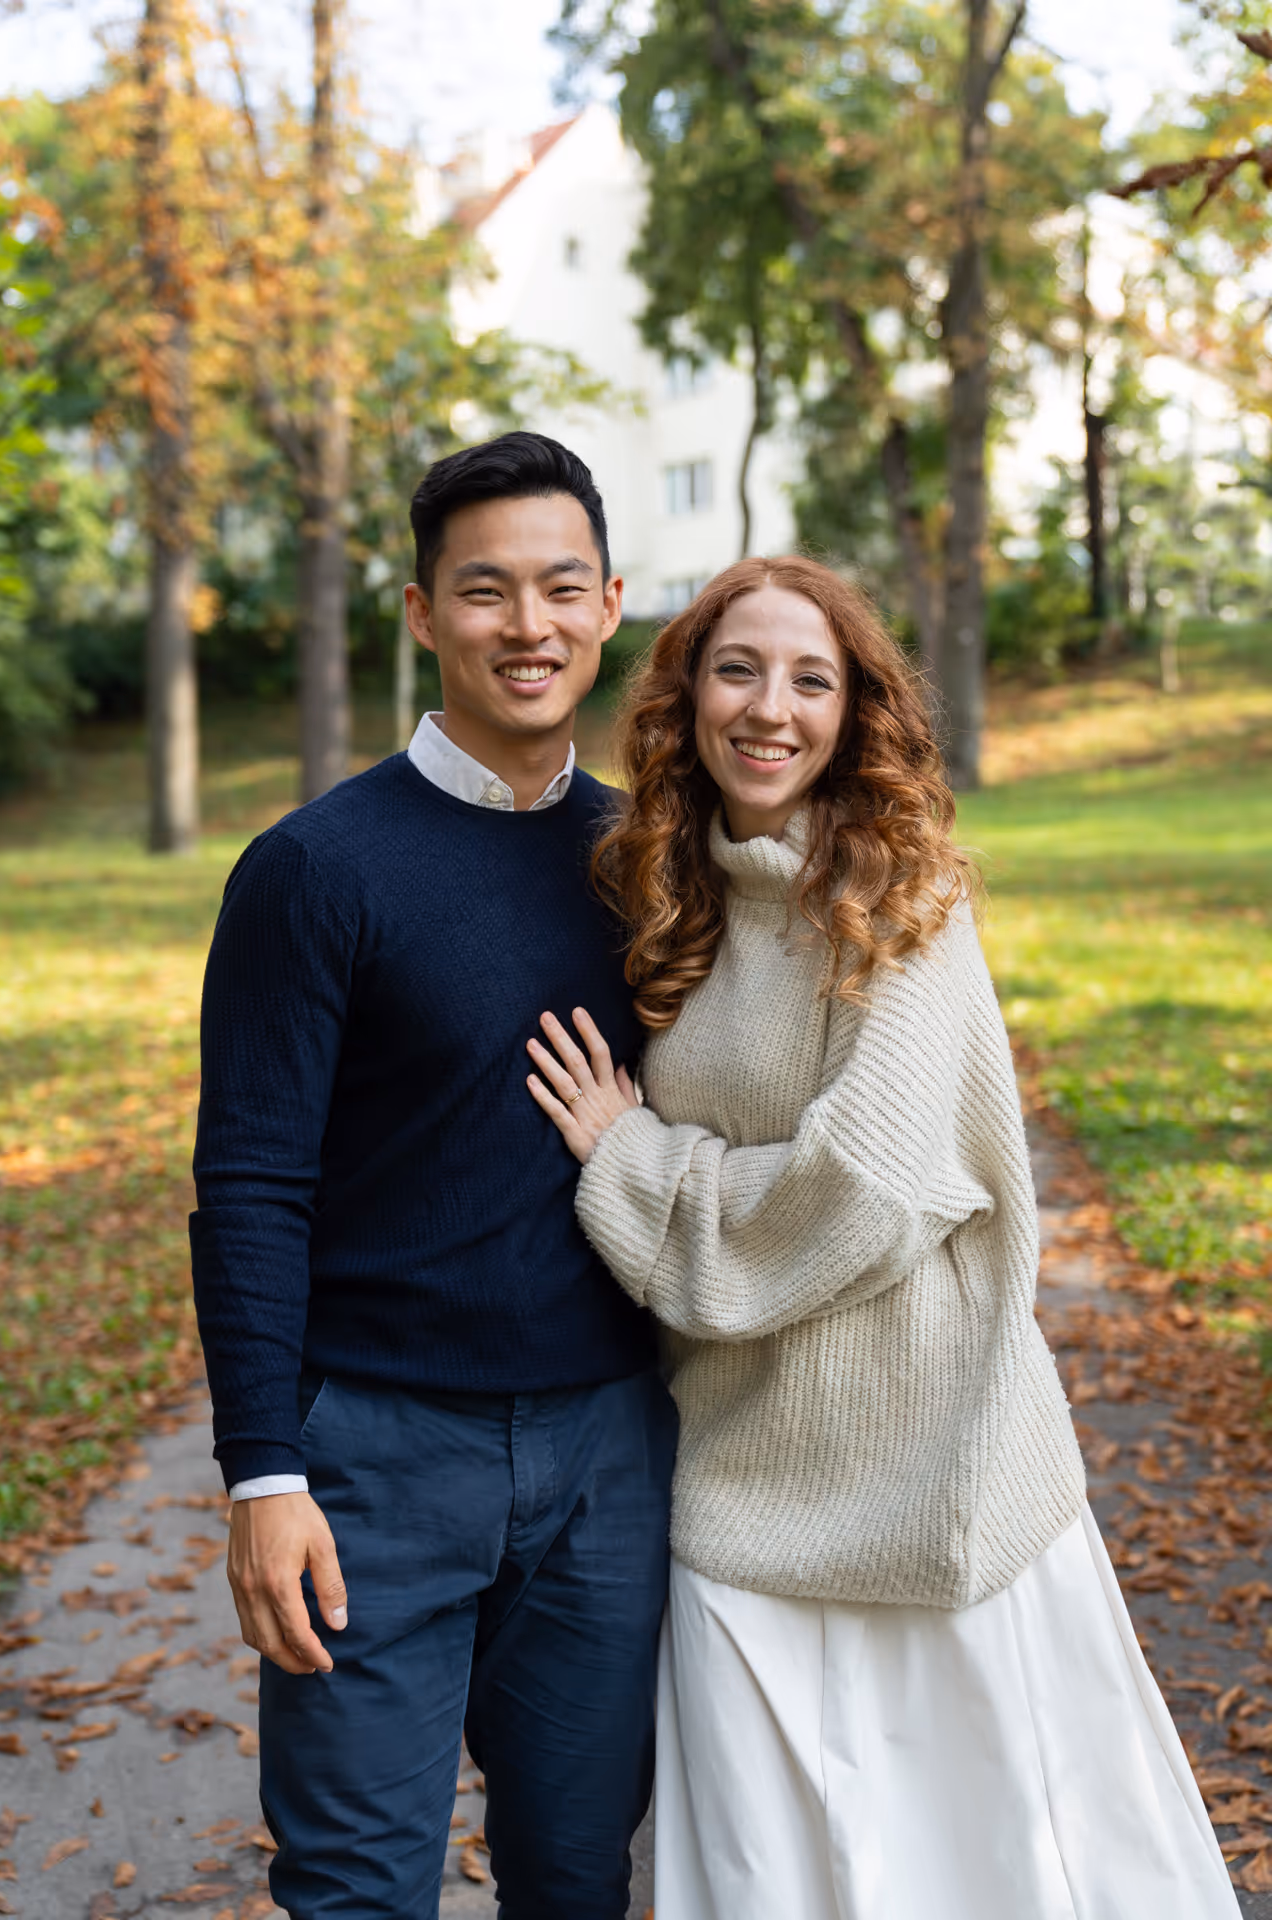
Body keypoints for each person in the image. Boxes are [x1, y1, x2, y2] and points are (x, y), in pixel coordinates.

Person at [527, 555, 1240, 1920]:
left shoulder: (909, 900)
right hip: (738, 1483)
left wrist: (634, 1165)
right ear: (687, 698)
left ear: (858, 711)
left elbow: (864, 1186)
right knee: (777, 1880)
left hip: (937, 1475)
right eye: (738, 670)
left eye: (813, 679)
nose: (771, 709)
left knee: (1003, 1874)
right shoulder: (664, 901)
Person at [190, 431, 677, 1920]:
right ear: (420, 614)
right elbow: (253, 1184)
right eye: (483, 592)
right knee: (355, 1892)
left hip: (608, 1456)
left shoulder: (649, 864)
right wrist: (264, 1472)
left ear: (607, 607)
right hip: (378, 1465)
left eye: (557, 589)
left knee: (578, 1878)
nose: (524, 626)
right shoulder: (314, 870)